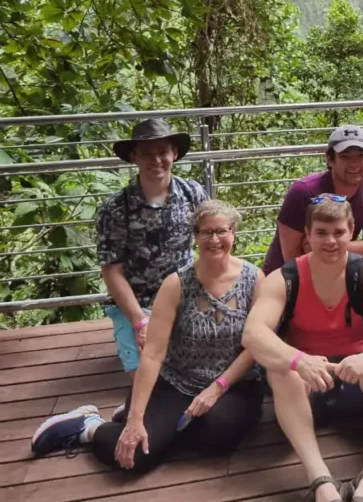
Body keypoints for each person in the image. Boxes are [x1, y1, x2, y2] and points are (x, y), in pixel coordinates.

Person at [32, 201, 264, 471]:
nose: (214, 240)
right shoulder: (177, 284)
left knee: (219, 435)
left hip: (234, 384)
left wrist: (216, 388)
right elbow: (153, 353)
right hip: (178, 381)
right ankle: (88, 426)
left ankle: (161, 425)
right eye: (205, 233)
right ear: (195, 236)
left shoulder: (254, 279)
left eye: (221, 231)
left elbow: (256, 345)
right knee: (133, 456)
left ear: (234, 233)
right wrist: (135, 420)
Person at [242, 197, 363, 502]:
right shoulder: (285, 278)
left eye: (338, 232)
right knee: (279, 365)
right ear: (307, 235)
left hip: (357, 377)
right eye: (321, 232)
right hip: (308, 386)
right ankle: (321, 481)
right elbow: (253, 333)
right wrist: (298, 360)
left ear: (351, 231)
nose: (331, 241)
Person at [96, 118, 207, 381]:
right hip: (135, 303)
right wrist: (139, 322)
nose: (155, 160)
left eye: (162, 152)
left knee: (204, 365)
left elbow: (212, 245)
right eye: (146, 153)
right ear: (134, 157)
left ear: (175, 154)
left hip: (184, 296)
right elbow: (112, 271)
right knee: (147, 379)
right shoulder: (115, 208)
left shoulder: (193, 193)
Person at [262, 125, 363, 274]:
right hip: (285, 275)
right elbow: (291, 256)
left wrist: (318, 246)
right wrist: (353, 256)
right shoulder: (303, 192)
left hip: (338, 271)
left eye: (361, 155)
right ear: (330, 160)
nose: (354, 163)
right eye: (345, 156)